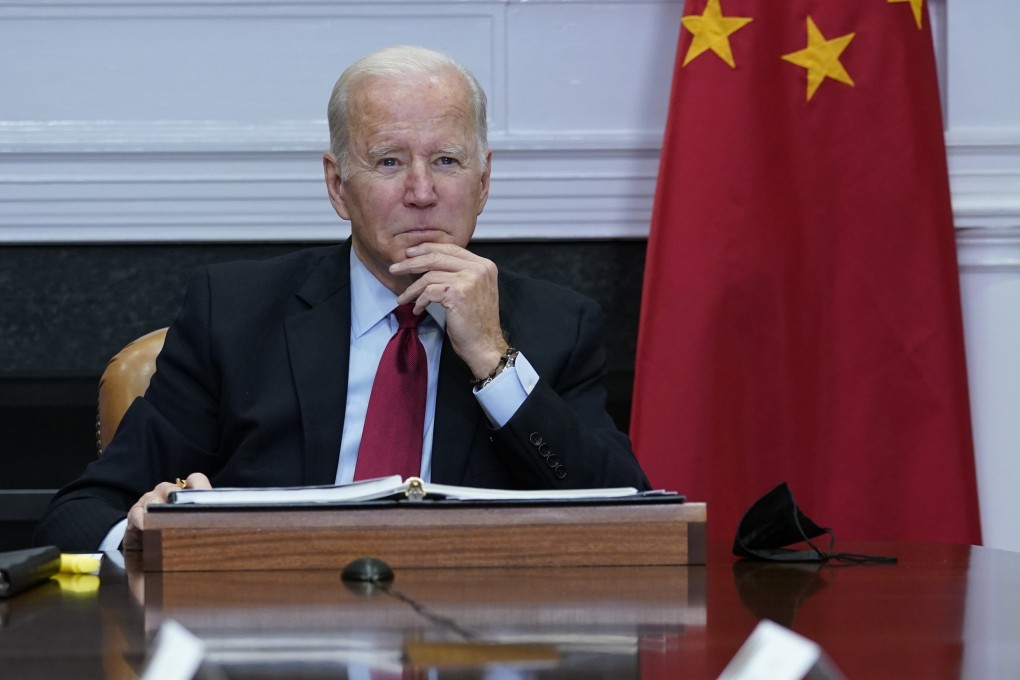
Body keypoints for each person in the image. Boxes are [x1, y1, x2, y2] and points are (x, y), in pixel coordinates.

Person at [34, 45, 649, 553]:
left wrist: (492, 357)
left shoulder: (554, 325)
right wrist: (138, 536)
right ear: (337, 185)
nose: (422, 191)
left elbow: (633, 525)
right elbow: (82, 513)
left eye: (446, 160)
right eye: (388, 161)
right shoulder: (236, 315)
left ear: (483, 181)